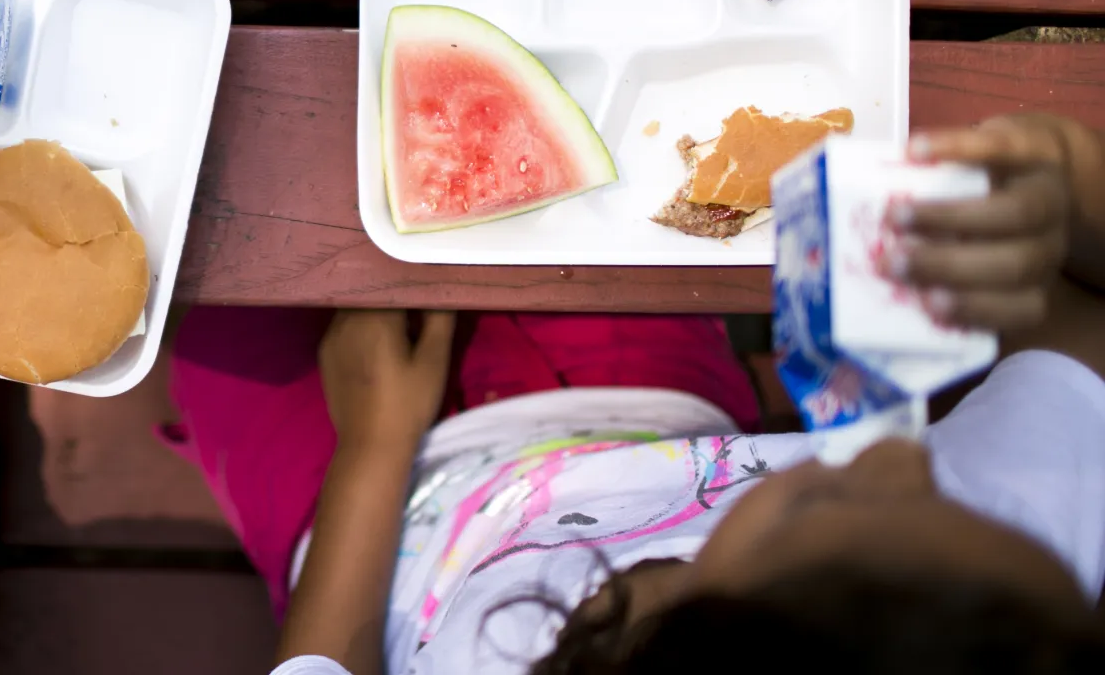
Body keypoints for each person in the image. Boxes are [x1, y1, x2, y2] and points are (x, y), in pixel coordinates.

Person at [156, 113, 1105, 674]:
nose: (907, 453)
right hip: (638, 421)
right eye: (940, 485)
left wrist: (374, 446)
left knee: (201, 275)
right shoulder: (997, 591)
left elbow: (322, 664)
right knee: (583, 146)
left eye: (822, 489)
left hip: (364, 536)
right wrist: (1062, 194)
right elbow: (1083, 339)